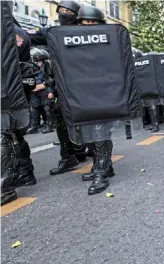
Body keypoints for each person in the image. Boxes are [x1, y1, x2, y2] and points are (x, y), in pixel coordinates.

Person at [27, 0, 88, 175]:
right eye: (60, 10)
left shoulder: (86, 32)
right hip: (63, 85)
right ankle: (68, 156)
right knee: (60, 117)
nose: (63, 13)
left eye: (67, 11)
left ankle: (89, 152)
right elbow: (28, 36)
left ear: (76, 15)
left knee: (89, 119)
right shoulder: (52, 32)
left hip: (85, 84)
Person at [76, 5, 114, 195]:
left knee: (100, 132)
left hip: (104, 93)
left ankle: (101, 173)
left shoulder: (108, 42)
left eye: (93, 22)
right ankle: (105, 166)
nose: (89, 25)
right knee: (90, 133)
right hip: (83, 94)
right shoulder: (73, 44)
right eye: (86, 22)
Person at [1, 21, 38, 205]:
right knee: (11, 132)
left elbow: (11, 56)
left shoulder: (15, 32)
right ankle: (21, 172)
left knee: (8, 130)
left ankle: (14, 179)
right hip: (9, 84)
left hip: (14, 84)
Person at [28, 48, 54, 134]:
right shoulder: (29, 69)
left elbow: (51, 80)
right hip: (34, 92)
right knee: (33, 108)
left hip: (44, 91)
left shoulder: (46, 68)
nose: (37, 63)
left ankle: (49, 125)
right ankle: (34, 126)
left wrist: (47, 87)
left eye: (39, 61)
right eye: (35, 61)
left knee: (47, 107)